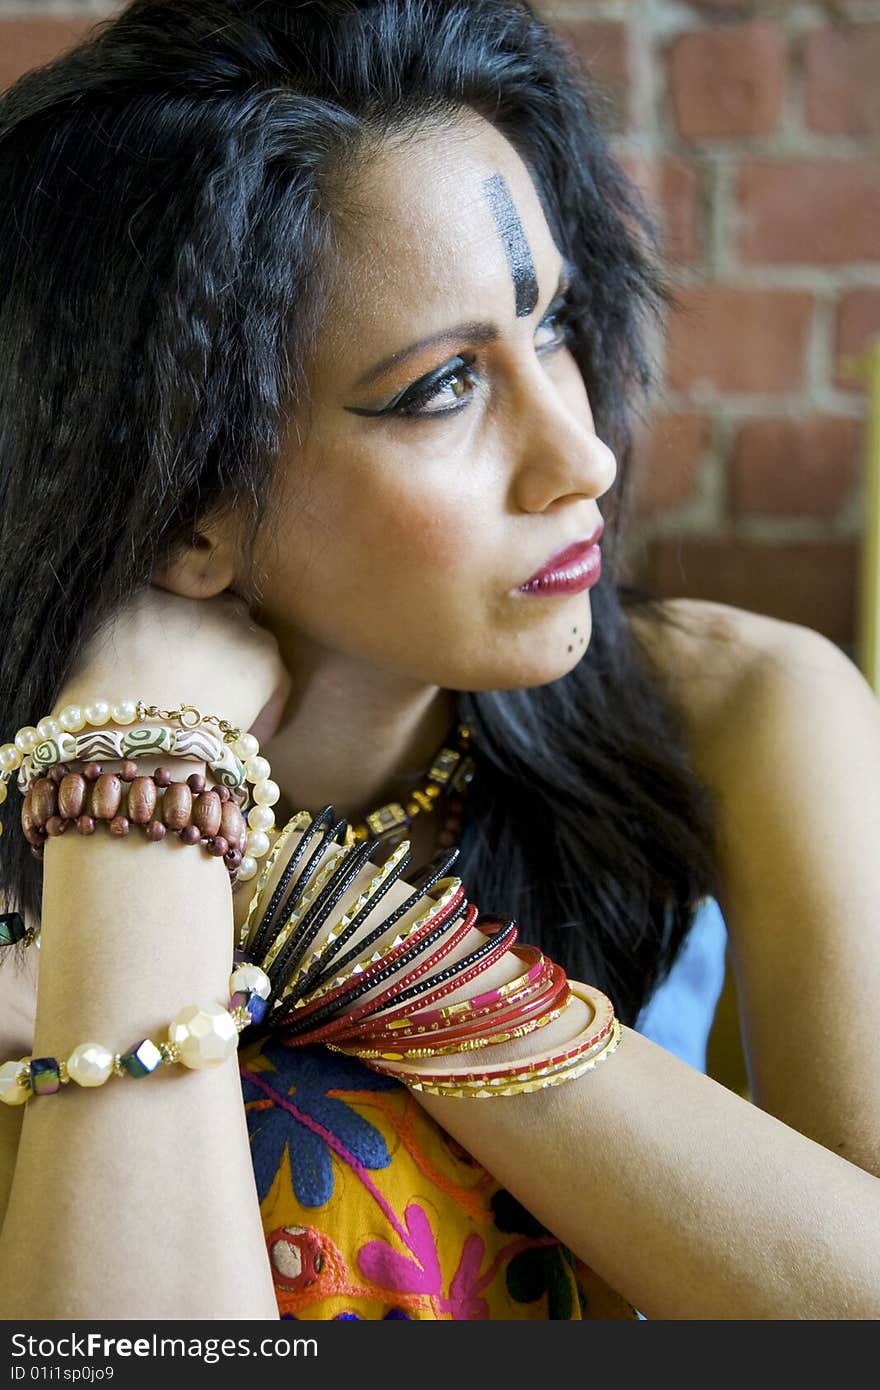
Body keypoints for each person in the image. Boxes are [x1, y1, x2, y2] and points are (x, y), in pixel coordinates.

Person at [0, 0, 878, 1322]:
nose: (581, 453)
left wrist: (282, 884)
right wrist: (133, 806)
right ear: (187, 503)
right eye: (442, 388)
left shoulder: (745, 706)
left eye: (557, 325)